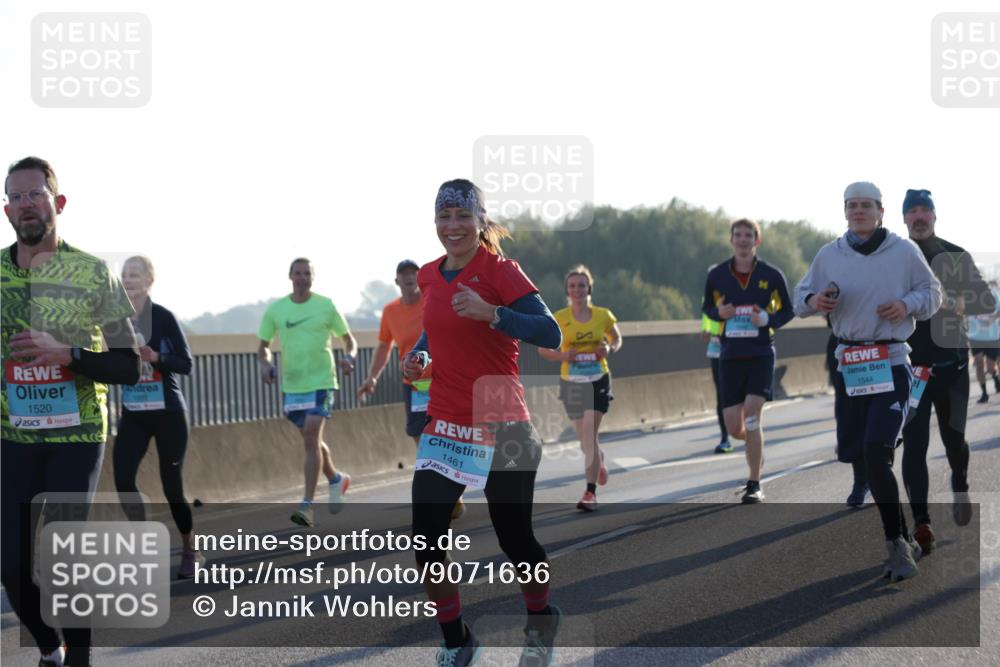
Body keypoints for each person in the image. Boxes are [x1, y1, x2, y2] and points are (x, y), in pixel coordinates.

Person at [404, 179, 562, 667]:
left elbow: (550, 331)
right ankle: (457, 640)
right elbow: (434, 333)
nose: (452, 227)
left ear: (479, 221)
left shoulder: (501, 271)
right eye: (443, 217)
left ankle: (541, 618)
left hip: (503, 423)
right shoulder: (430, 275)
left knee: (514, 538)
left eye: (461, 217)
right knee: (426, 537)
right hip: (447, 424)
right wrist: (418, 360)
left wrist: (494, 313)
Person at [2, 156, 141, 667]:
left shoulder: (90, 272)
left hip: (77, 433)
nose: (26, 204)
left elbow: (128, 366)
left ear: (57, 203)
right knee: (13, 565)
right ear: (7, 211)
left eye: (35, 194)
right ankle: (50, 647)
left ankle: (79, 659)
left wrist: (70, 356)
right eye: (15, 197)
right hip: (11, 435)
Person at [795, 181, 941, 582]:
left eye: (866, 206)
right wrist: (814, 302)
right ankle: (902, 537)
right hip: (850, 363)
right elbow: (799, 296)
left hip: (891, 361)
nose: (858, 211)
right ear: (844, 211)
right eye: (852, 205)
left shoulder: (903, 251)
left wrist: (906, 304)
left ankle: (896, 544)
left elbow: (934, 293)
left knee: (878, 453)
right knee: (858, 453)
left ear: (880, 211)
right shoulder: (830, 254)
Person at [899, 189, 996, 548]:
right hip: (912, 370)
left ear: (934, 216)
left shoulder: (956, 255)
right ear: (904, 218)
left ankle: (960, 481)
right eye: (913, 211)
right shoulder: (895, 258)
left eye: (925, 210)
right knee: (914, 445)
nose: (920, 216)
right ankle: (922, 522)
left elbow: (985, 300)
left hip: (952, 367)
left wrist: (958, 303)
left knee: (954, 440)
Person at [114, 255, 205, 578]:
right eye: (125, 274)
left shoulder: (163, 317)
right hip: (134, 413)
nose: (128, 280)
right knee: (123, 479)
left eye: (135, 275)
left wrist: (156, 356)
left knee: (172, 488)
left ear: (149, 281)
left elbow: (186, 364)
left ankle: (190, 548)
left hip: (168, 412)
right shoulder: (116, 320)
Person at [357, 260, 464, 520]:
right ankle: (445, 486)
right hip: (414, 384)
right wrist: (372, 378)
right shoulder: (390, 311)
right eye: (403, 276)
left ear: (419, 278)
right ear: (396, 281)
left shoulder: (432, 301)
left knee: (446, 435)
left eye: (412, 275)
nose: (408, 279)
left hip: (442, 379)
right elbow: (384, 347)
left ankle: (451, 491)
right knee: (422, 437)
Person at [257, 258, 357, 528]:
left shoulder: (326, 306)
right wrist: (266, 363)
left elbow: (349, 340)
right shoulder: (277, 310)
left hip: (322, 382)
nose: (302, 278)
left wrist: (349, 358)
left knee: (312, 436)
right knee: (312, 442)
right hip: (292, 386)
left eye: (307, 273)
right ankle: (336, 479)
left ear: (313, 277)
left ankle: (307, 505)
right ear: (290, 276)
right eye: (297, 273)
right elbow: (263, 346)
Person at [701, 219, 794, 503]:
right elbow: (707, 308)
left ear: (757, 240)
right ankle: (755, 442)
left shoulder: (771, 274)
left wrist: (768, 319)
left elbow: (788, 311)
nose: (743, 240)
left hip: (761, 354)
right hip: (729, 356)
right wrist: (720, 313)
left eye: (748, 235)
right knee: (735, 427)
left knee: (752, 414)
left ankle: (754, 482)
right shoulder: (717, 274)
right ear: (731, 240)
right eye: (738, 235)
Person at [538, 265, 622, 512]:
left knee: (589, 433)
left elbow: (616, 338)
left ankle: (590, 492)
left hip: (598, 378)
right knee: (586, 440)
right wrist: (565, 355)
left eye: (582, 285)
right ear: (567, 290)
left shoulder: (603, 315)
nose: (577, 290)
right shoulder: (559, 318)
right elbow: (543, 350)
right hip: (571, 381)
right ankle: (599, 461)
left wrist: (608, 349)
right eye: (572, 286)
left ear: (589, 289)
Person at [701, 313, 731, 453]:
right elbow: (706, 320)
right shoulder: (710, 294)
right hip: (716, 352)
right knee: (721, 396)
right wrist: (706, 331)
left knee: (739, 394)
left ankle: (748, 433)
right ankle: (725, 438)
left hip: (735, 350)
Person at [969, 278, 1000, 403]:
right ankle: (984, 393)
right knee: (979, 363)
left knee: (991, 366)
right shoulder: (968, 296)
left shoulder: (993, 294)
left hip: (991, 336)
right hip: (975, 336)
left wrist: (992, 319)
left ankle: (996, 378)